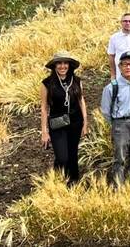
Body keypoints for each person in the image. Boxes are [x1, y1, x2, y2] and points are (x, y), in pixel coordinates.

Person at [40, 51, 88, 185]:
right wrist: (44, 131)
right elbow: (44, 108)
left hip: (75, 122)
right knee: (62, 157)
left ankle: (73, 181)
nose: (62, 66)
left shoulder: (77, 81)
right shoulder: (47, 83)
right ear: (54, 66)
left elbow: (81, 101)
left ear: (69, 65)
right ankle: (58, 176)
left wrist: (85, 121)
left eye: (65, 63)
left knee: (73, 154)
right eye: (59, 63)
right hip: (57, 123)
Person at [100, 51, 130, 185]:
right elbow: (105, 111)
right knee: (119, 157)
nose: (128, 67)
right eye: (125, 64)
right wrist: (117, 123)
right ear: (120, 67)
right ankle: (118, 184)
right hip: (121, 124)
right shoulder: (112, 87)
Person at [107, 13, 130, 81]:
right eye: (125, 21)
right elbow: (111, 56)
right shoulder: (114, 37)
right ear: (121, 22)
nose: (127, 23)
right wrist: (113, 74)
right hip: (121, 72)